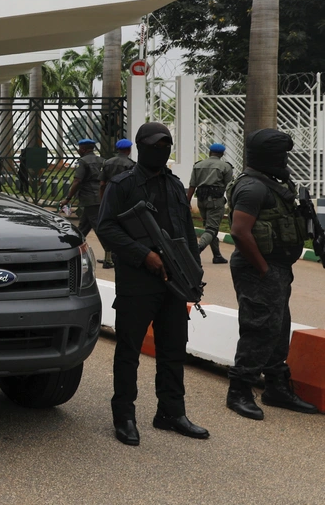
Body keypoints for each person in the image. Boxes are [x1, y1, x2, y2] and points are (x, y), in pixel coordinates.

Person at [97, 122, 209, 447]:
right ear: (140, 146)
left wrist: (193, 274)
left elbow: (187, 231)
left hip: (174, 282)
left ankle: (172, 413)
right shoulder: (123, 185)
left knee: (173, 349)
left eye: (166, 145)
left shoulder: (174, 185)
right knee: (129, 350)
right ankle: (125, 417)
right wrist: (144, 254)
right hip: (137, 282)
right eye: (155, 145)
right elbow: (106, 228)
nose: (161, 150)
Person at [224, 129, 319, 419]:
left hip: (276, 268)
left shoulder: (272, 183)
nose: (285, 160)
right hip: (258, 268)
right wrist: (264, 270)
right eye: (281, 155)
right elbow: (239, 231)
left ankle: (276, 387)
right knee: (259, 327)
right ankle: (239, 390)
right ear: (268, 156)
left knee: (277, 327)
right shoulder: (253, 187)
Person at [186, 143, 232, 264]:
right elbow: (229, 187)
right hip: (216, 201)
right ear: (222, 154)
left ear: (210, 153)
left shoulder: (198, 165)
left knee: (210, 228)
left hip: (201, 200)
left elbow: (192, 185)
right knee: (212, 228)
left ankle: (217, 255)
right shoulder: (225, 167)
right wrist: (232, 204)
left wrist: (187, 201)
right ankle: (197, 249)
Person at [98, 139, 136, 268]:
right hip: (125, 201)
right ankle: (119, 257)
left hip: (109, 199)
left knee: (109, 227)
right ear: (129, 150)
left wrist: (103, 200)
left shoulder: (107, 163)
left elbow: (102, 184)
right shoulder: (131, 165)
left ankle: (107, 257)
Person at [60, 138, 105, 242]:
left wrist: (68, 198)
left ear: (83, 149)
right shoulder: (102, 160)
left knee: (99, 228)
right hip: (100, 196)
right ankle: (75, 244)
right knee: (83, 227)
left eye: (79, 149)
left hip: (89, 198)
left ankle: (112, 253)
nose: (78, 151)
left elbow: (77, 181)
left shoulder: (83, 161)